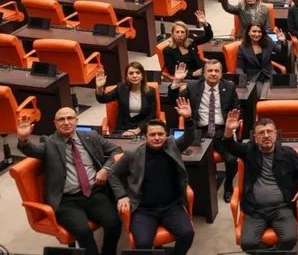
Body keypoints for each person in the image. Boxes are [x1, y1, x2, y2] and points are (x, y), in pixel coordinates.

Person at [16, 107, 123, 255]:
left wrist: (105, 169)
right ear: (55, 123)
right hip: (66, 200)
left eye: (70, 118)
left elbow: (117, 150)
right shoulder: (49, 142)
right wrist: (23, 139)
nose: (66, 122)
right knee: (83, 231)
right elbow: (32, 150)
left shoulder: (91, 136)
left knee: (114, 223)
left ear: (76, 120)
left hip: (94, 193)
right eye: (61, 119)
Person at [108, 104, 196, 255]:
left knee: (187, 234)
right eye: (152, 134)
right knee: (143, 244)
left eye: (160, 134)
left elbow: (189, 138)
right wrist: (121, 195)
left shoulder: (172, 146)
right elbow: (112, 173)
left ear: (166, 135)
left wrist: (188, 119)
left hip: (171, 206)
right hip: (144, 210)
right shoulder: (132, 154)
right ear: (145, 136)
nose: (157, 138)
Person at [223, 112, 298, 253]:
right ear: (255, 138)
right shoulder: (249, 151)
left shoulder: (288, 153)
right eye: (261, 133)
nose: (266, 135)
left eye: (269, 131)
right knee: (247, 244)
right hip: (255, 209)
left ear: (275, 134)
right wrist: (228, 130)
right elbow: (229, 146)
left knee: (290, 239)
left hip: (282, 208)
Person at [167, 59, 239, 202]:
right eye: (210, 71)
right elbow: (174, 100)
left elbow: (236, 109)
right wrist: (176, 83)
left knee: (232, 160)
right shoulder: (193, 86)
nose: (213, 73)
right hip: (198, 130)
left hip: (221, 130)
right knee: (188, 158)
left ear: (221, 73)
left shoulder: (229, 87)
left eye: (216, 71)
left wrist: (233, 130)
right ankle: (191, 189)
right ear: (204, 73)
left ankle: (228, 186)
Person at [95, 62, 156, 136]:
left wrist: (138, 129)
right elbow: (103, 99)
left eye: (138, 73)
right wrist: (99, 88)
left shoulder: (150, 92)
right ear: (127, 77)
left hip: (142, 129)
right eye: (131, 73)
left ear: (142, 75)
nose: (135, 76)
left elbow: (151, 115)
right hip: (122, 129)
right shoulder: (121, 88)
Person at [237, 24, 288, 99]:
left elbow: (282, 55)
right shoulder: (242, 48)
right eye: (254, 31)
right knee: (262, 96)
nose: (257, 34)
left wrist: (283, 42)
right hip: (254, 78)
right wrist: (242, 83)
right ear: (248, 32)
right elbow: (239, 68)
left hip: (269, 75)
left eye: (259, 32)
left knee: (280, 93)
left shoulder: (268, 42)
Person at [162, 11, 212, 79]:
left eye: (182, 32)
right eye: (177, 32)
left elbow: (208, 37)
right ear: (172, 34)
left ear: (186, 34)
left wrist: (205, 24)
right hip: (186, 77)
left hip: (202, 72)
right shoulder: (168, 50)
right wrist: (192, 74)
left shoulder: (191, 41)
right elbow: (172, 70)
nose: (180, 35)